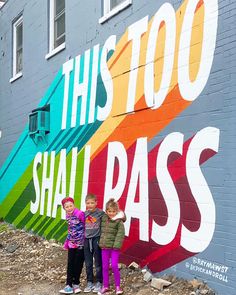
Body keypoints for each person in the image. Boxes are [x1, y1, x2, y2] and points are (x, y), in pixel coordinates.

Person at [98, 198, 125, 295]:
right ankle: (106, 286)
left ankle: (118, 286)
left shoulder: (119, 222)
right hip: (104, 247)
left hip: (114, 248)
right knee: (105, 267)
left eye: (113, 211)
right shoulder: (104, 217)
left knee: (114, 265)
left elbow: (120, 234)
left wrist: (116, 246)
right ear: (106, 211)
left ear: (117, 211)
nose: (111, 213)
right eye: (109, 211)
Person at [59, 197, 85, 294]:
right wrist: (66, 243)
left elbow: (86, 226)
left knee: (78, 264)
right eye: (67, 207)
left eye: (71, 206)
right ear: (64, 208)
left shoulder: (80, 214)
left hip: (81, 244)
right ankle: (68, 285)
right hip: (72, 244)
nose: (69, 208)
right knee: (70, 264)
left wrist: (85, 240)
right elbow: (70, 229)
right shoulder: (67, 216)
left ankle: (76, 284)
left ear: (74, 205)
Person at [84, 193, 104, 293]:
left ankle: (99, 281)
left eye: (92, 203)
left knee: (98, 262)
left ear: (96, 203)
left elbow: (110, 217)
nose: (90, 205)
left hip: (96, 239)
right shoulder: (84, 214)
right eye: (88, 203)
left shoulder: (100, 213)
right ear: (85, 204)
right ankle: (90, 282)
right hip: (86, 240)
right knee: (88, 263)